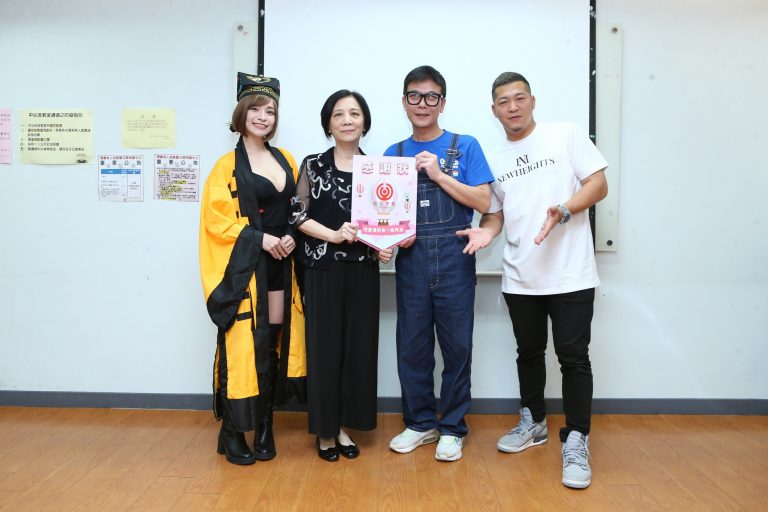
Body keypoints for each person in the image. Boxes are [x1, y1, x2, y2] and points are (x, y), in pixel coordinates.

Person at [459, 72, 608, 488]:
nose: (513, 107)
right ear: (494, 111)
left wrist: (565, 209)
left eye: (519, 98)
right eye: (503, 102)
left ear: (532, 101)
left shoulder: (566, 135)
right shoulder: (493, 158)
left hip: (571, 273)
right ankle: (534, 421)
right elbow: (496, 214)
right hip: (520, 276)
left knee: (574, 358)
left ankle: (576, 438)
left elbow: (598, 184)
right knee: (528, 353)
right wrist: (486, 233)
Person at [384, 65, 493, 462]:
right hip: (412, 261)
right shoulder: (393, 155)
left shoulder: (466, 146)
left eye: (431, 96)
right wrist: (390, 239)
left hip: (455, 258)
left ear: (442, 103)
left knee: (457, 347)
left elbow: (484, 202)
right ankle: (420, 424)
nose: (423, 104)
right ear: (404, 102)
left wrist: (440, 174)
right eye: (414, 96)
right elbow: (383, 215)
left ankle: (452, 428)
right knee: (412, 346)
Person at [199, 73, 307, 465]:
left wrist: (291, 235)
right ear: (242, 113)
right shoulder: (226, 167)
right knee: (245, 346)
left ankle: (264, 424)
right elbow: (216, 222)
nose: (263, 117)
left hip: (280, 269)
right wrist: (259, 239)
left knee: (273, 341)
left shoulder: (287, 159)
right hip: (247, 271)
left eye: (271, 111)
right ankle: (231, 431)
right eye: (256, 109)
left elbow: (298, 210)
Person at [290, 90, 392, 462]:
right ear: (328, 124)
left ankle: (345, 426)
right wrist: (333, 235)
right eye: (338, 114)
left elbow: (387, 219)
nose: (347, 120)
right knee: (325, 349)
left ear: (365, 122)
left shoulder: (379, 168)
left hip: (364, 270)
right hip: (323, 269)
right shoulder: (313, 165)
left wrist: (385, 245)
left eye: (354, 113)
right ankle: (325, 431)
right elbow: (297, 215)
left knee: (358, 350)